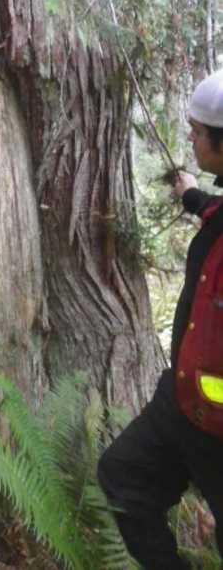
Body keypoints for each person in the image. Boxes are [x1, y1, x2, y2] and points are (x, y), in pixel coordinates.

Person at [98, 69, 223, 570]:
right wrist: (192, 197)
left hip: (218, 424)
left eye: (196, 131)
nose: (189, 137)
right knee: (124, 478)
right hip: (183, 403)